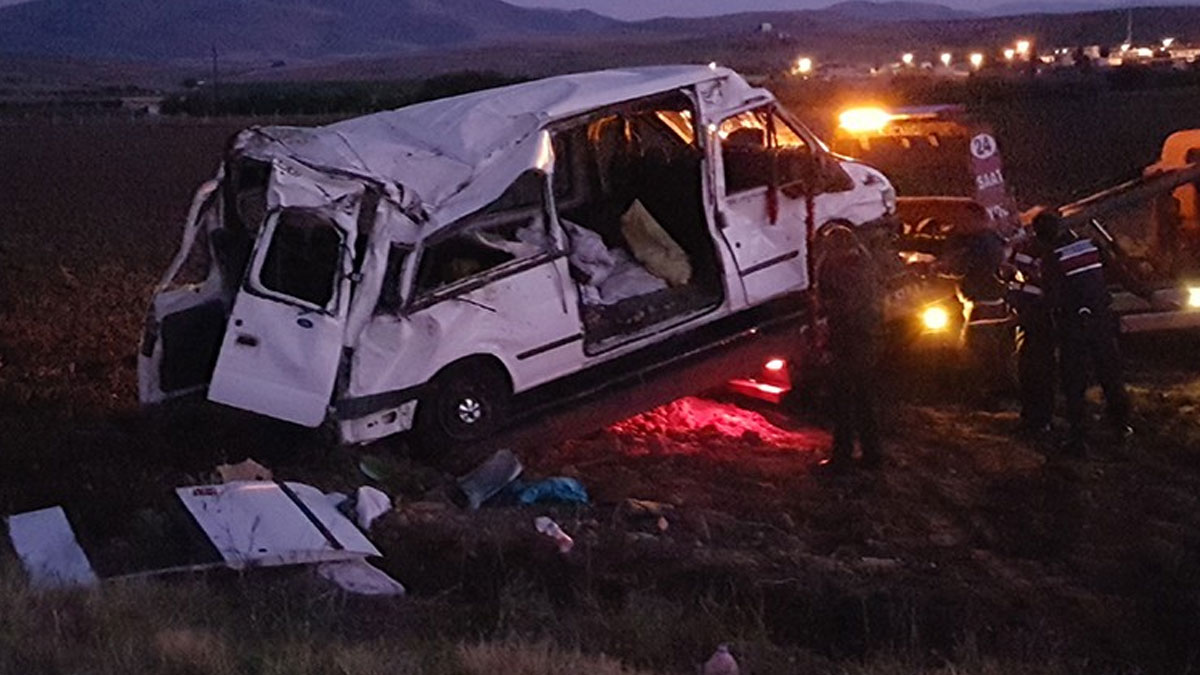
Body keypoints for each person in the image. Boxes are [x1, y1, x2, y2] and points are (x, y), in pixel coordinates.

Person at [1034, 210, 1132, 454]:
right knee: (1110, 374)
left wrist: (1036, 312)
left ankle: (1078, 438)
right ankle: (1121, 428)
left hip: (1073, 324)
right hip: (1100, 318)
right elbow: (1118, 273)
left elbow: (1053, 297)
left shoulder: (1052, 257)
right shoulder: (1091, 245)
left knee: (1074, 380)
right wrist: (1148, 294)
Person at [815, 226, 884, 473]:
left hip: (849, 339)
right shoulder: (863, 263)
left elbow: (845, 305)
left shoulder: (844, 270)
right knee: (863, 399)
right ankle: (871, 454)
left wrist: (823, 311)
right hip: (864, 339)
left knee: (843, 399)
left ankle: (842, 456)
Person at [1005, 221, 1056, 435]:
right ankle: (1037, 418)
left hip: (1035, 315)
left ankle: (1037, 420)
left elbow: (1041, 283)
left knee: (1034, 368)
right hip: (1032, 314)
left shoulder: (1036, 251)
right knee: (1034, 367)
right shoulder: (1040, 250)